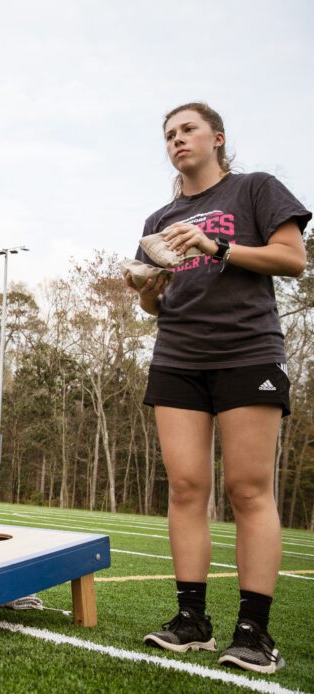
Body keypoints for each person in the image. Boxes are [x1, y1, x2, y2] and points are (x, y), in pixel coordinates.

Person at [127, 102, 309, 674]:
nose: (177, 140)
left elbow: (292, 260)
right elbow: (153, 304)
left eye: (188, 130)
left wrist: (217, 247)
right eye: (169, 134)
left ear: (217, 138)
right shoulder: (159, 216)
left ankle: (254, 632)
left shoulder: (255, 189)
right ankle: (191, 621)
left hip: (246, 351)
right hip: (178, 355)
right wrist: (148, 287)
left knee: (248, 489)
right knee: (184, 487)